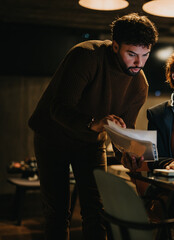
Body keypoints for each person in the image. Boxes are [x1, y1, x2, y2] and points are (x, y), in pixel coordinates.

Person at [28, 13, 158, 240]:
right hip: (53, 137)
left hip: (91, 143)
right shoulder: (86, 55)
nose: (139, 63)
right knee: (58, 212)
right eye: (132, 54)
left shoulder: (140, 84)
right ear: (115, 46)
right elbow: (58, 108)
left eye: (145, 55)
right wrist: (94, 123)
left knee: (97, 211)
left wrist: (127, 152)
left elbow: (124, 128)